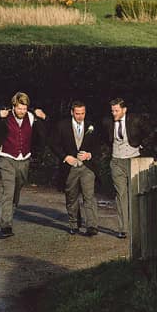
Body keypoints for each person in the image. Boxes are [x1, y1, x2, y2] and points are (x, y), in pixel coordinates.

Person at [0, 92, 48, 238]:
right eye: (19, 108)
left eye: (24, 109)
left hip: (24, 159)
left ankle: (10, 211)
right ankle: (6, 225)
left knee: (17, 189)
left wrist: (44, 117)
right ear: (13, 106)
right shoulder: (4, 116)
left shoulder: (32, 117)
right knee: (8, 191)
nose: (22, 112)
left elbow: (45, 133)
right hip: (6, 158)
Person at [101, 97, 153, 239]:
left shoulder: (135, 120)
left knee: (135, 192)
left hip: (133, 160)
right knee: (121, 194)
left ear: (124, 110)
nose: (114, 113)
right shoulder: (107, 122)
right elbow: (105, 138)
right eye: (112, 111)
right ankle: (123, 228)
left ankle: (140, 226)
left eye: (116, 110)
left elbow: (150, 133)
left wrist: (141, 146)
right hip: (116, 161)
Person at [49, 100, 101, 236]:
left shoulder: (91, 126)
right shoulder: (62, 126)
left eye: (82, 113)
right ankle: (73, 224)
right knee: (71, 197)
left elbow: (98, 146)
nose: (80, 116)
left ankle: (92, 226)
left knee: (89, 195)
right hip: (70, 167)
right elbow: (54, 144)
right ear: (72, 112)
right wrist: (66, 157)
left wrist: (90, 154)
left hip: (87, 167)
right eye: (77, 113)